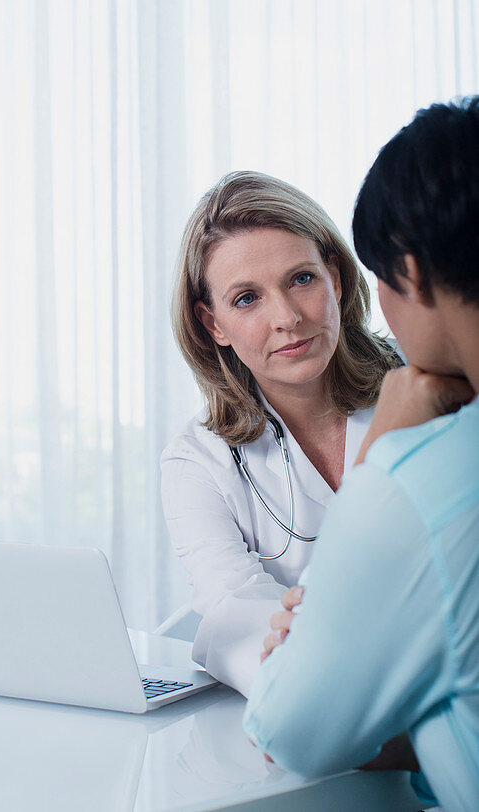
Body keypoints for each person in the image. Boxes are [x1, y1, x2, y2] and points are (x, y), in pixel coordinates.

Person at [243, 98, 479, 812]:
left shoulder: (414, 487)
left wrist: (380, 458)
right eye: (247, 297)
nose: (284, 315)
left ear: (402, 269)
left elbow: (291, 731)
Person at [160, 171, 400, 696]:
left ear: (334, 278)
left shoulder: (425, 388)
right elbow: (235, 616)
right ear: (212, 323)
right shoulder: (197, 462)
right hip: (321, 701)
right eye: (247, 299)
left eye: (301, 279)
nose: (287, 318)